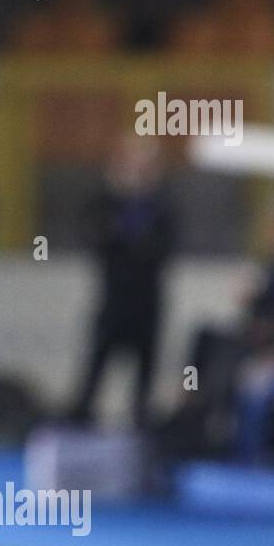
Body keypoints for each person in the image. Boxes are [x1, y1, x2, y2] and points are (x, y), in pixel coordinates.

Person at [68, 135, 175, 429]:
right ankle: (80, 421)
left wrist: (128, 241)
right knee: (96, 366)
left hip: (147, 301)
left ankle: (140, 426)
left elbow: (160, 250)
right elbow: (96, 240)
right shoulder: (106, 202)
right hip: (114, 299)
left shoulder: (161, 206)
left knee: (144, 373)